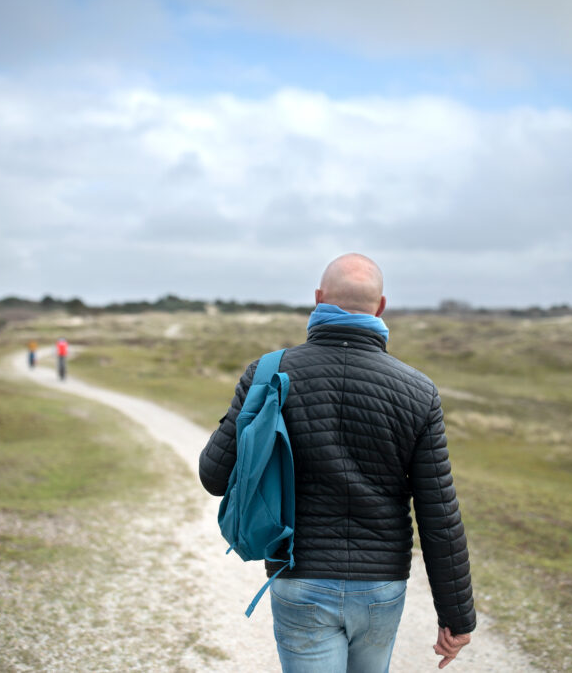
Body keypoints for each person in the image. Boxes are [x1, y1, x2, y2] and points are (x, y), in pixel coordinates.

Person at [200, 253, 476, 672]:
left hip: (300, 577)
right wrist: (457, 616)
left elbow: (213, 476)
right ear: (380, 307)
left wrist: (241, 419)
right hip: (381, 585)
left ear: (318, 299)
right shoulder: (420, 392)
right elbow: (439, 513)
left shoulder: (267, 374)